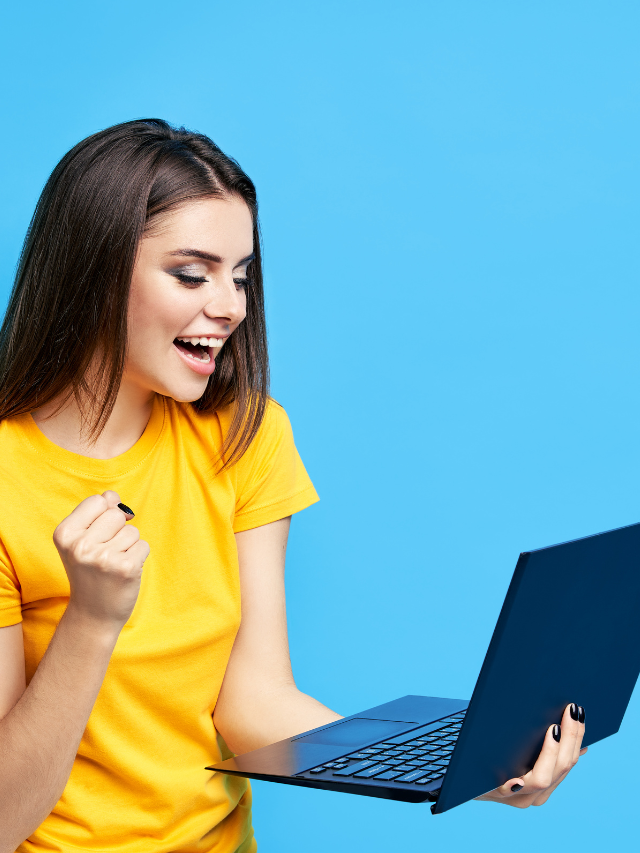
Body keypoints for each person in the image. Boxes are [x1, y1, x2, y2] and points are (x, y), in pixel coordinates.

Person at [0, 119, 587, 853]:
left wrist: (468, 766)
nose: (232, 306)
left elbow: (253, 702)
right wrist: (91, 618)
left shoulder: (247, 433)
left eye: (240, 275)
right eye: (192, 273)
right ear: (93, 268)